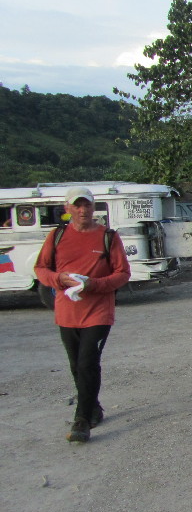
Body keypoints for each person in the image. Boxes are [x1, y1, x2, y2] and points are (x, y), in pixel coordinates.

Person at [34, 186, 131, 443]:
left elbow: (123, 273)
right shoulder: (57, 236)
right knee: (76, 365)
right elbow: (41, 268)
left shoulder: (108, 236)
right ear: (67, 208)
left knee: (88, 362)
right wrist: (59, 279)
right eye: (77, 205)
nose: (82, 210)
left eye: (87, 205)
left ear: (93, 206)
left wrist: (93, 285)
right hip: (67, 312)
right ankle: (94, 407)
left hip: (98, 311)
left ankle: (82, 419)